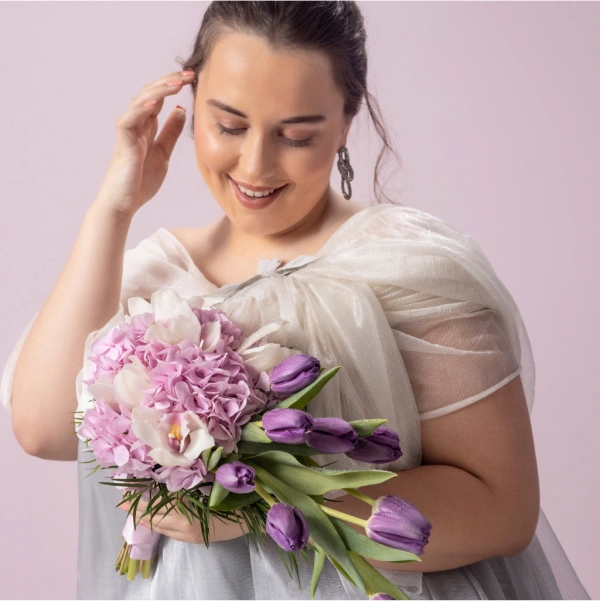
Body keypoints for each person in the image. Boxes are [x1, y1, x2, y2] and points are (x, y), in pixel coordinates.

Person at [0, 2, 590, 599]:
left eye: (297, 135)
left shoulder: (407, 268)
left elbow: (502, 508)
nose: (255, 165)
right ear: (190, 100)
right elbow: (47, 430)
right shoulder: (156, 273)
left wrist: (264, 505)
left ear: (346, 121)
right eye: (229, 125)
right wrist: (114, 208)